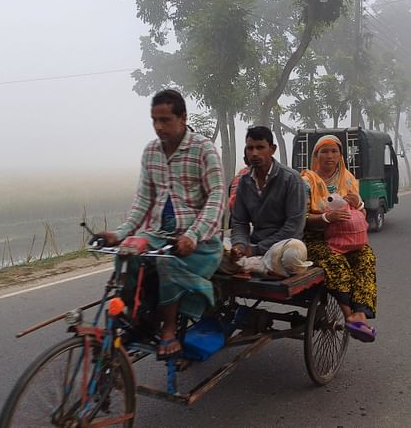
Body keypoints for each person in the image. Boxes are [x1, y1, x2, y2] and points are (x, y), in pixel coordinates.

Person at [96, 89, 224, 359]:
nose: (158, 127)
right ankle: (138, 319)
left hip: (199, 242)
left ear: (183, 118)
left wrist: (193, 235)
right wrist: (119, 235)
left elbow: (216, 198)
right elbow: (143, 201)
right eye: (154, 120)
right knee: (126, 257)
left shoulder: (203, 149)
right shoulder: (151, 152)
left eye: (165, 120)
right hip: (158, 234)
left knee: (167, 263)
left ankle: (168, 330)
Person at [300, 135, 377, 342]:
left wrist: (359, 205)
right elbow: (301, 219)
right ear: (316, 156)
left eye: (334, 151)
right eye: (324, 151)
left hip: (346, 238)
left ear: (341, 155)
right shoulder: (307, 181)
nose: (330, 156)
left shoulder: (349, 179)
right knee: (336, 262)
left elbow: (360, 217)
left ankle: (360, 313)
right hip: (315, 239)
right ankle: (349, 316)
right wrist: (326, 217)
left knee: (366, 257)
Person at [230, 125, 306, 261]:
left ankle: (256, 264)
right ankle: (260, 266)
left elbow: (294, 228)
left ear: (272, 149)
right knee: (218, 249)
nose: (254, 153)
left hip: (282, 245)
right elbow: (240, 222)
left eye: (260, 147)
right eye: (250, 148)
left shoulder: (291, 179)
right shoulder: (244, 182)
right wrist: (239, 245)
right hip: (254, 242)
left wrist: (257, 249)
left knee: (294, 253)